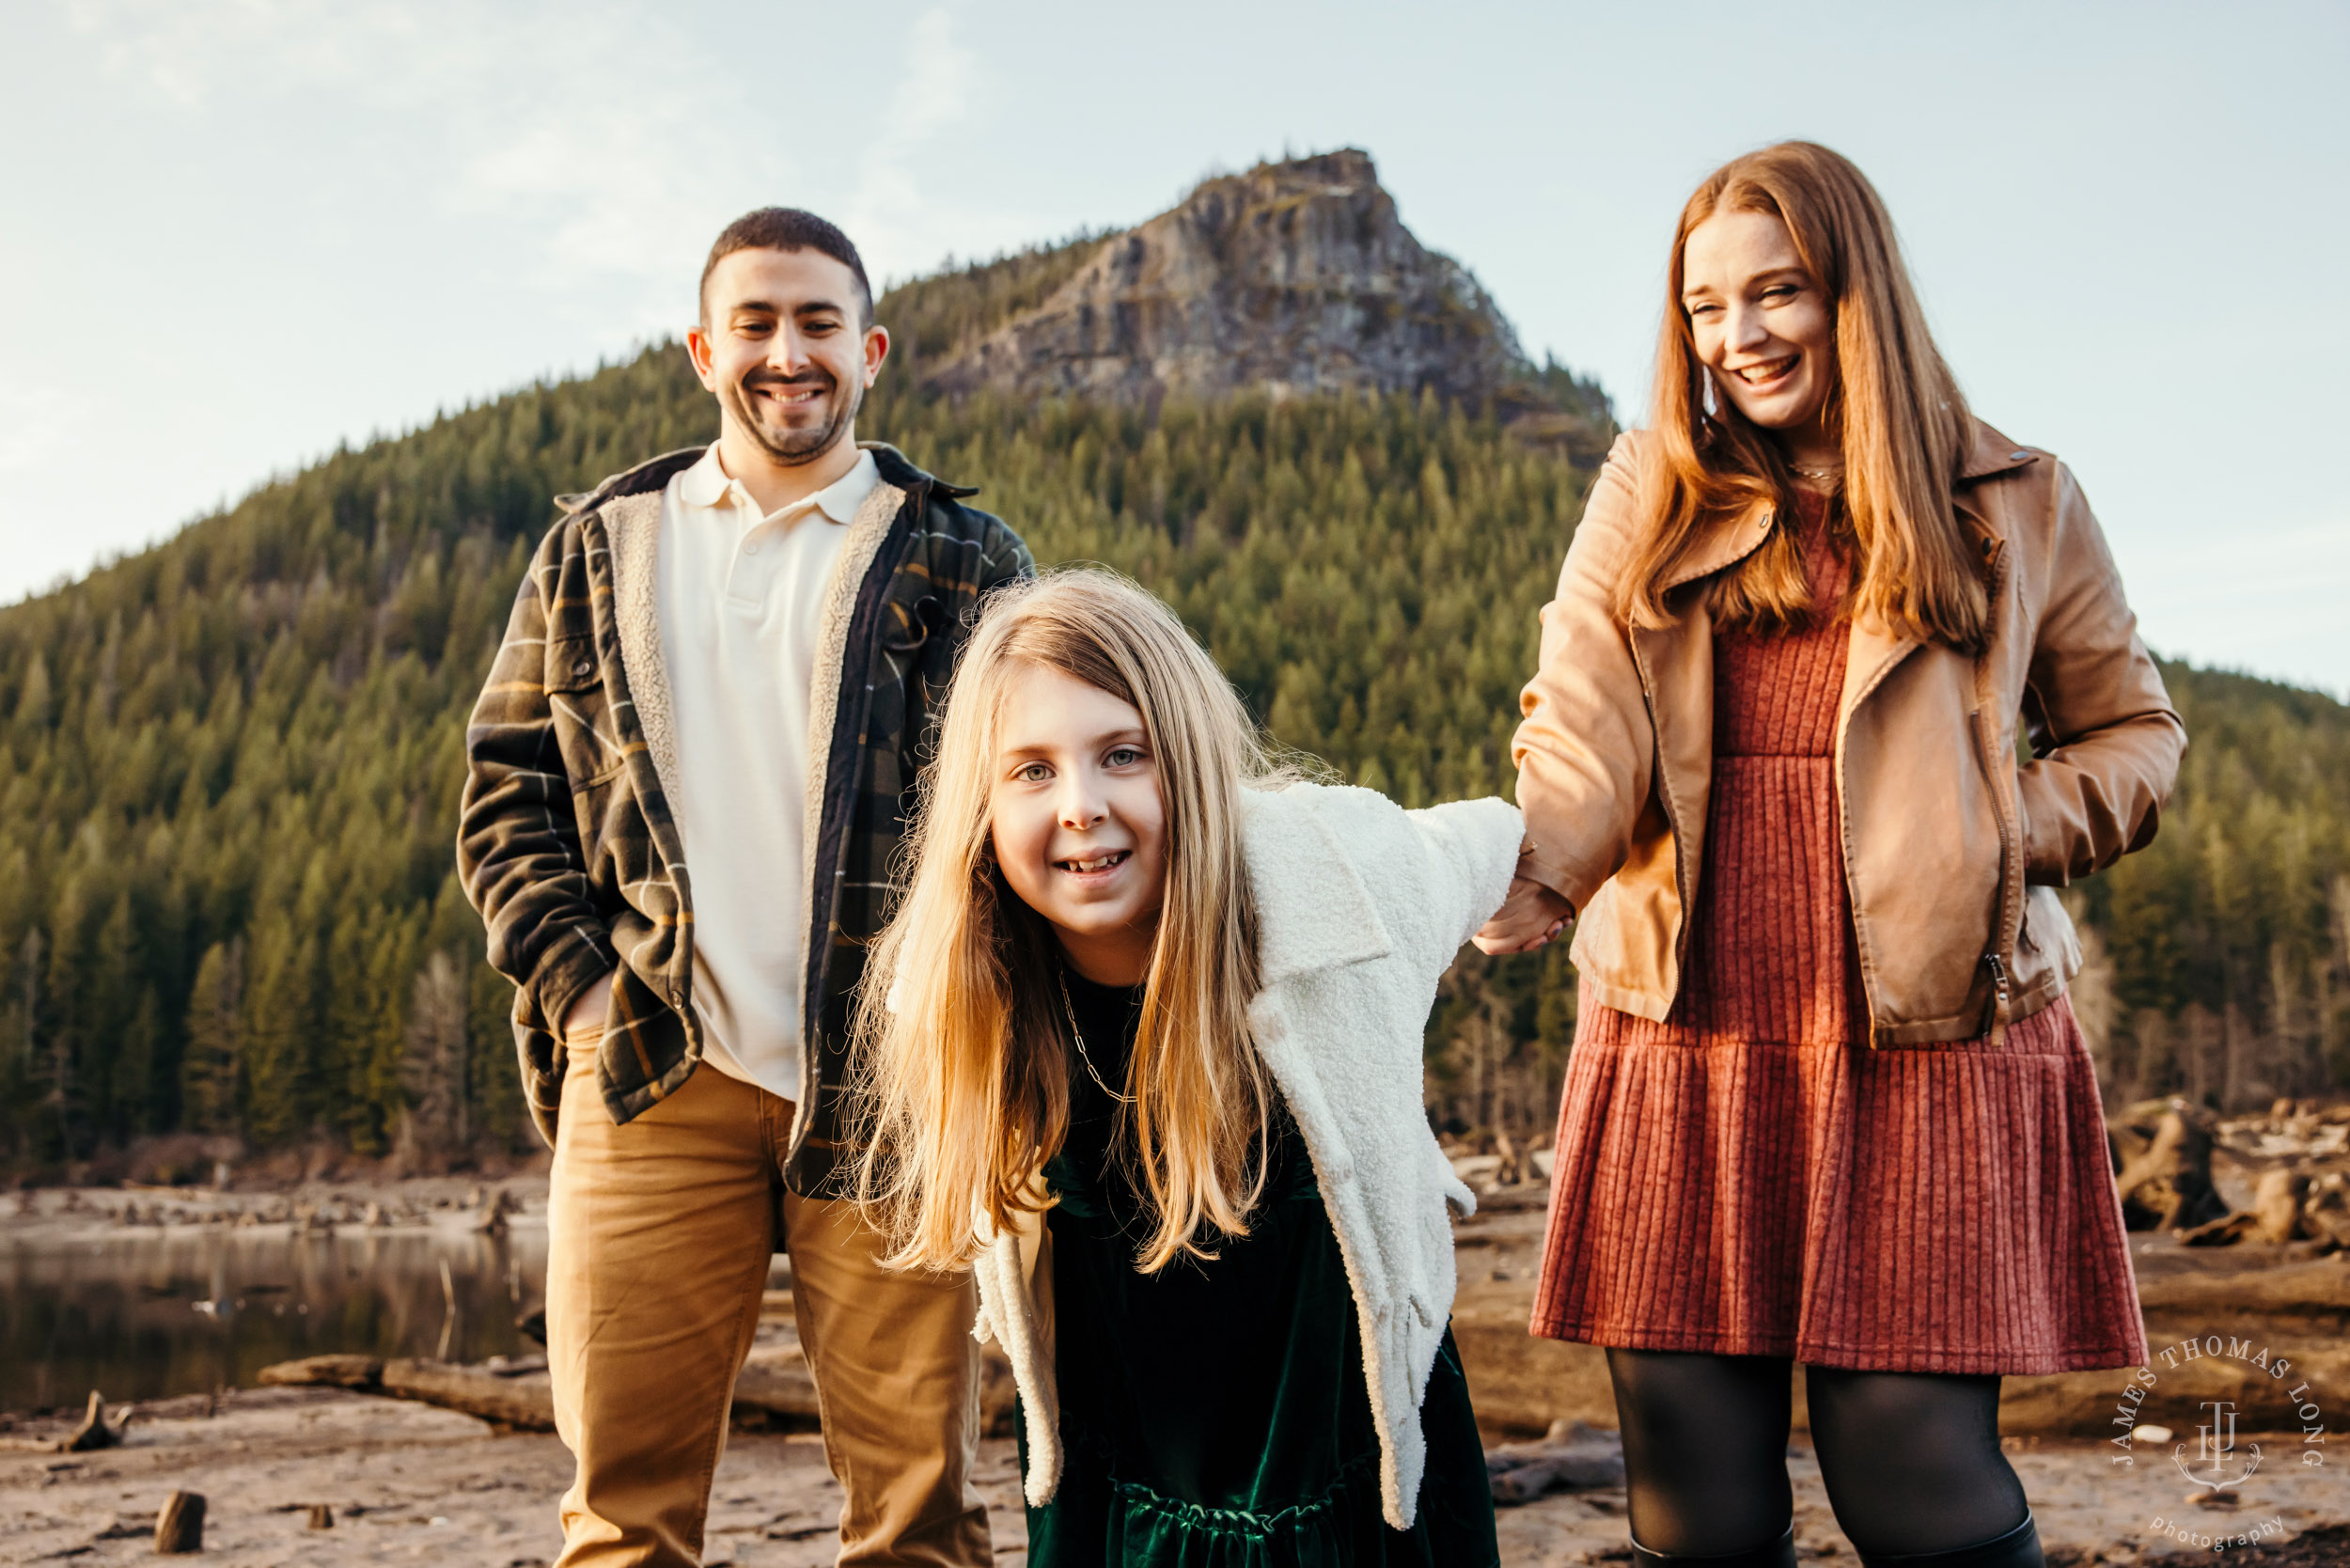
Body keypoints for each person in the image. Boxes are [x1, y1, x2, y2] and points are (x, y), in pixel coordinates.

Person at [1474, 142, 2184, 1568]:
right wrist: (1517, 868)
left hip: (1928, 1037)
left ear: (1855, 290)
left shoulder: (2019, 497)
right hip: (1687, 1032)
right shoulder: (1647, 485)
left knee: (1916, 1486)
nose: (1736, 340)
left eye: (1776, 292)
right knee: (1697, 1502)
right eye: (1704, 309)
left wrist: (1999, 834)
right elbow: (1582, 719)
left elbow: (2138, 738)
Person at [457, 206, 1032, 1567]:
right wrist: (587, 994)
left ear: (871, 348)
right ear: (704, 349)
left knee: (917, 1518)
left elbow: (1030, 808)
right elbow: (505, 794)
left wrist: (987, 1042)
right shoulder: (599, 549)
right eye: (758, 324)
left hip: (895, 1090)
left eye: (820, 322)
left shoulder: (963, 555)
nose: (790, 352)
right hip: (653, 1074)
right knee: (622, 1518)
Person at [851, 570, 1512, 1565]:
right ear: (978, 808)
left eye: (1123, 755)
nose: (1079, 806)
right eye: (1029, 770)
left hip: (1351, 1477)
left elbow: (1475, 840)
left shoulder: (1331, 873)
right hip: (1125, 1486)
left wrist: (1540, 877)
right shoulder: (966, 985)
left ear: (1195, 766)